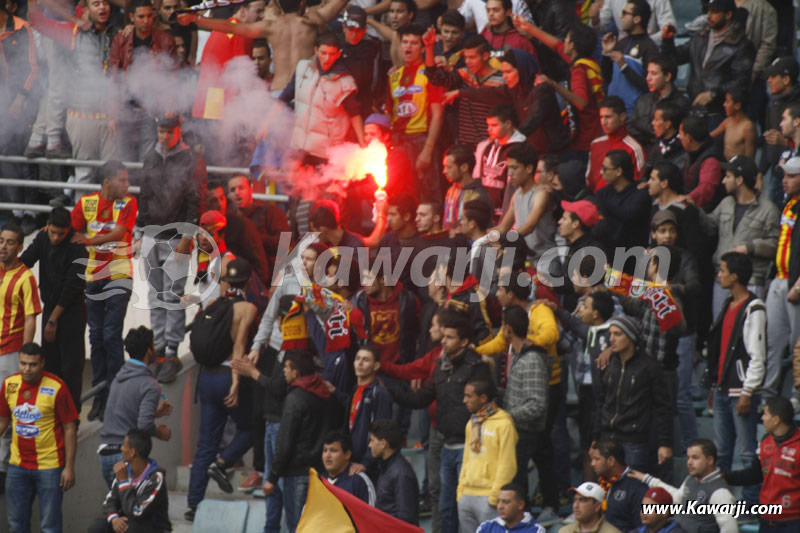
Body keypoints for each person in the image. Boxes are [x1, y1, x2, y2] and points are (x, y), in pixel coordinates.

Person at [387, 310, 490, 533]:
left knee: (466, 509)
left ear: (464, 341)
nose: (443, 341)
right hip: (446, 445)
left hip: (470, 447)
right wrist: (391, 392)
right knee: (445, 506)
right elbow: (422, 398)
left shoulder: (477, 368)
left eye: (450, 337)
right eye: (443, 337)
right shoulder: (442, 365)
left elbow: (488, 406)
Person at [136, 112, 207, 383]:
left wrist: (188, 238)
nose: (164, 136)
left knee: (173, 296)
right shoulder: (150, 155)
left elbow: (195, 200)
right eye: (161, 131)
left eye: (169, 131)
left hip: (176, 236)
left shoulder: (192, 159)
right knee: (155, 294)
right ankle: (160, 348)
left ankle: (172, 351)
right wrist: (139, 230)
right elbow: (144, 193)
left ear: (179, 131)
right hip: (151, 234)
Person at [185, 259, 258, 521]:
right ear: (248, 283)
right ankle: (223, 462)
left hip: (206, 378)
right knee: (251, 428)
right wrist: (237, 383)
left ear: (226, 284)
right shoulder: (247, 307)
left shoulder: (213, 305)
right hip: (228, 376)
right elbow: (239, 347)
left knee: (205, 444)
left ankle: (193, 505)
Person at [28, 0, 121, 184]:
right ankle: (80, 212)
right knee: (85, 175)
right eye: (96, 4)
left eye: (105, 3)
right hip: (82, 115)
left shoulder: (119, 33)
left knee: (113, 177)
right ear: (86, 10)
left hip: (112, 118)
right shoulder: (73, 32)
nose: (102, 7)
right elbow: (37, 21)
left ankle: (108, 214)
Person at [71, 161, 136, 421]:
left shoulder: (128, 203)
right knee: (96, 336)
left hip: (119, 275)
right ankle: (100, 394)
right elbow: (71, 229)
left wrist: (88, 240)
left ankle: (113, 394)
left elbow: (120, 234)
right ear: (107, 182)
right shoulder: (87, 202)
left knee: (110, 335)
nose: (127, 185)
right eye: (123, 180)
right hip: (92, 276)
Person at [0, 343, 78, 531]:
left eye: (33, 364)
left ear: (42, 363)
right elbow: (2, 422)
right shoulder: (9, 384)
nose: (27, 369)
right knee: (16, 524)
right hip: (17, 466)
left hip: (50, 467)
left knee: (50, 526)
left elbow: (70, 429)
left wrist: (69, 467)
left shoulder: (57, 387)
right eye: (23, 363)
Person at [263, 350, 342, 532]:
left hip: (297, 473)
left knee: (297, 526)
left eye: (287, 367)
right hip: (321, 473)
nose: (283, 370)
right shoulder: (325, 394)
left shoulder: (294, 399)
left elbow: (285, 442)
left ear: (296, 372)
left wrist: (272, 477)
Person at [446, 49, 571, 162]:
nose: (504, 77)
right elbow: (489, 93)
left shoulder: (541, 90)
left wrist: (512, 139)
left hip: (555, 156)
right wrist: (460, 92)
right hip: (535, 155)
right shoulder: (516, 90)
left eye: (509, 72)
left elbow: (535, 117)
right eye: (503, 72)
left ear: (522, 69)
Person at [19, 208, 86, 413]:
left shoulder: (77, 247)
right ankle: (52, 411)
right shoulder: (42, 238)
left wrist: (53, 319)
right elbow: (25, 261)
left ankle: (71, 415)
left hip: (71, 311)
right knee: (50, 366)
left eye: (61, 234)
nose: (56, 238)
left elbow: (72, 287)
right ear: (47, 226)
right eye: (53, 232)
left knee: (71, 368)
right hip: (50, 306)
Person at [700, 154, 779, 318]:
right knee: (721, 329)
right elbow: (709, 226)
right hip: (722, 280)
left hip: (751, 282)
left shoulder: (768, 210)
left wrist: (750, 247)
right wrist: (693, 209)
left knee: (745, 331)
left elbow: (776, 243)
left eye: (728, 176)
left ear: (739, 180)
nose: (723, 181)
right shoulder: (726, 203)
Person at [511, 18, 604, 155]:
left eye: (567, 38)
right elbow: (556, 45)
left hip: (585, 139)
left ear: (573, 45)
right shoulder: (588, 62)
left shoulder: (579, 71)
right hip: (594, 133)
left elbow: (581, 102)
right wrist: (530, 28)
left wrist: (552, 84)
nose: (564, 41)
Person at [594, 316, 673, 473]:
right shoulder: (608, 364)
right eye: (610, 334)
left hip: (634, 441)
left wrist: (665, 443)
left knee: (632, 487)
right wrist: (595, 438)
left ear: (631, 337)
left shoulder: (649, 367)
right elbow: (600, 403)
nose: (611, 339)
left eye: (618, 334)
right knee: (605, 490)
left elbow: (663, 407)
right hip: (607, 437)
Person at [99, 326, 172, 489]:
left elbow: (125, 414)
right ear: (149, 351)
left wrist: (155, 414)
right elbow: (144, 425)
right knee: (132, 508)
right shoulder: (149, 385)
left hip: (105, 452)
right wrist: (160, 432)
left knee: (119, 508)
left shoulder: (119, 378)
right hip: (126, 456)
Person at [660, 0, 755, 126]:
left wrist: (714, 93)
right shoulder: (700, 37)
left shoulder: (741, 45)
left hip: (721, 113)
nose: (709, 16)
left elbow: (741, 81)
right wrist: (667, 42)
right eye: (708, 11)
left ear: (728, 15)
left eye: (715, 12)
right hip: (695, 109)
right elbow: (675, 59)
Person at [108, 0, 177, 162]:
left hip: (151, 110)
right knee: (125, 161)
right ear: (131, 17)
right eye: (141, 17)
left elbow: (173, 78)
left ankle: (141, 187)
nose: (146, 21)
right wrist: (112, 114)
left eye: (149, 16)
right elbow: (113, 79)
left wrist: (169, 106)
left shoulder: (165, 40)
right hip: (126, 108)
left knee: (147, 161)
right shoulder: (121, 40)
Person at [280, 32, 365, 164]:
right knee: (297, 183)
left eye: (331, 54)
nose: (327, 58)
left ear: (338, 54)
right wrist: (266, 123)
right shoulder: (303, 69)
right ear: (315, 50)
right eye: (323, 53)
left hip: (326, 154)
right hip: (299, 146)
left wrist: (362, 141)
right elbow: (285, 96)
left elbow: (355, 114)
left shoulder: (345, 82)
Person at [498, 306, 551, 513]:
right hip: (516, 431)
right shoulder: (521, 356)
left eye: (502, 325)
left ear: (509, 329)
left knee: (518, 484)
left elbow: (536, 405)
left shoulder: (531, 360)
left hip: (525, 433)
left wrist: (505, 416)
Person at [387, 24, 445, 202]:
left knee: (426, 198)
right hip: (398, 144)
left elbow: (438, 114)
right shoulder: (393, 76)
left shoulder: (430, 74)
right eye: (405, 42)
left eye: (413, 43)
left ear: (422, 48)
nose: (408, 47)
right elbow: (390, 112)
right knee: (399, 197)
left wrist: (428, 149)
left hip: (421, 141)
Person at [630, 438, 737, 532]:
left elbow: (730, 530)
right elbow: (677, 498)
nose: (689, 462)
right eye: (688, 457)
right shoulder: (691, 479)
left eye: (695, 458)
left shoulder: (720, 492)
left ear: (710, 460)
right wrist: (647, 479)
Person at [726, 396, 800, 531]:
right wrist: (724, 477)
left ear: (776, 419)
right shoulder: (766, 440)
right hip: (766, 519)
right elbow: (755, 474)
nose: (762, 418)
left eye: (766, 414)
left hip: (793, 522)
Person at [457, 378, 518, 533]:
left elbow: (507, 464)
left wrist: (494, 497)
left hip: (488, 497)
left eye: (469, 396)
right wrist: (461, 492)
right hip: (466, 496)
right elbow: (466, 459)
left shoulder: (504, 423)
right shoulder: (471, 423)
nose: (464, 400)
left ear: (483, 398)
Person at [425, 34, 505, 147]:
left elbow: (489, 96)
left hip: (492, 145)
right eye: (465, 57)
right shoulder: (465, 73)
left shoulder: (501, 80)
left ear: (485, 56)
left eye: (472, 57)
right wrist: (429, 48)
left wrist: (460, 93)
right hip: (465, 144)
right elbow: (436, 78)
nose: (467, 61)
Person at [187, 0, 262, 120]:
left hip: (207, 101)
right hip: (224, 106)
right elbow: (244, 77)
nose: (262, 16)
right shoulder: (241, 32)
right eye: (258, 11)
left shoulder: (221, 28)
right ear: (242, 12)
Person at [763, 157, 800, 400]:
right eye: (783, 176)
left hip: (795, 284)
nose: (784, 181)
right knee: (772, 342)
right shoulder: (789, 204)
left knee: (798, 345)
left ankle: (797, 397)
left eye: (790, 176)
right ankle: (768, 399)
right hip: (778, 278)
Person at [89, 429, 171, 533]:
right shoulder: (125, 469)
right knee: (97, 527)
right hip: (130, 523)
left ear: (132, 452)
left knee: (131, 528)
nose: (121, 448)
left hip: (153, 527)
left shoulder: (156, 477)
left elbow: (137, 512)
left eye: (124, 445)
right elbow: (109, 502)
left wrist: (123, 482)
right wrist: (114, 519)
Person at [493, 143, 556, 262]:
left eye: (514, 168)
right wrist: (481, 236)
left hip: (545, 262)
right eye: (509, 168)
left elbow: (529, 226)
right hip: (525, 261)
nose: (510, 173)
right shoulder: (517, 194)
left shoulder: (541, 193)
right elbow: (503, 227)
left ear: (529, 168)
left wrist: (504, 240)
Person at [227, 174, 290, 282]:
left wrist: (254, 238)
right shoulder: (231, 221)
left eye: (241, 188)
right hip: (241, 278)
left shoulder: (270, 211)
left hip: (272, 278)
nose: (237, 192)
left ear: (251, 190)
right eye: (232, 190)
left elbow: (286, 242)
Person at [600, 0, 659, 115]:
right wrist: (606, 54)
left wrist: (624, 67)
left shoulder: (649, 47)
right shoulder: (620, 43)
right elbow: (607, 78)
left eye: (625, 13)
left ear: (637, 19)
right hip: (613, 114)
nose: (621, 16)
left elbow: (650, 86)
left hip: (634, 114)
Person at [473, 105, 527, 220]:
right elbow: (477, 180)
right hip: (484, 213)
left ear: (508, 124)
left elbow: (514, 188)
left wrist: (505, 220)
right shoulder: (484, 146)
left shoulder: (520, 149)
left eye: (494, 125)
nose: (489, 129)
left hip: (506, 215)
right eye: (488, 125)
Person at [342, 346, 393, 464]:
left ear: (376, 366)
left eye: (366, 360)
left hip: (367, 464)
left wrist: (366, 463)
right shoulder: (355, 390)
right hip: (351, 458)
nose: (359, 363)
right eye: (357, 358)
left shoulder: (379, 394)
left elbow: (381, 433)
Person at [586, 96, 647, 192]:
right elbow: (589, 180)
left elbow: (638, 185)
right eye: (601, 117)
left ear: (622, 117)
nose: (603, 122)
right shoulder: (595, 144)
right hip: (595, 201)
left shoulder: (634, 148)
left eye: (608, 117)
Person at [628, 57, 690, 149]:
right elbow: (630, 127)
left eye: (653, 74)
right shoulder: (644, 100)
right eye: (648, 73)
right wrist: (649, 139)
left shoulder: (681, 104)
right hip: (644, 150)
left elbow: (677, 134)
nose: (648, 78)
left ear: (667, 76)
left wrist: (642, 126)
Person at [594, 150, 651, 249]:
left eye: (605, 168)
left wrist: (605, 203)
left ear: (618, 171)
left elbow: (629, 215)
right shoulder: (602, 193)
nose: (601, 172)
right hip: (607, 252)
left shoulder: (640, 193)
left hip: (634, 253)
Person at [367, 418, 419, 525]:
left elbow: (405, 519)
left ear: (383, 443)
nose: (370, 445)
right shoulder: (386, 466)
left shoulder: (401, 473)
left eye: (372, 440)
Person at [588, 440, 647, 532]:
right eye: (592, 460)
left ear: (611, 461)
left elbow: (642, 527)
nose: (592, 464)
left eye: (597, 459)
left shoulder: (636, 487)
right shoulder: (600, 483)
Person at [442, 144, 493, 231]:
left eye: (449, 167)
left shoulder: (478, 195)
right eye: (444, 167)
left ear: (464, 167)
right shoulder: (451, 190)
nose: (444, 171)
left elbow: (479, 231)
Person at [678, 115, 724, 210]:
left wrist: (687, 199)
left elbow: (706, 189)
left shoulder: (711, 160)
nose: (679, 138)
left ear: (688, 138)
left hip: (707, 211)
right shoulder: (690, 152)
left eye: (680, 134)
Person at [321, 431, 376, 505]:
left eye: (333, 450)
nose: (327, 455)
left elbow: (371, 513)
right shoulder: (319, 480)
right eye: (325, 451)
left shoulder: (359, 481)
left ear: (347, 454)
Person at [590, 0, 675, 46]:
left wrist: (643, 43)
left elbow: (670, 27)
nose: (621, 17)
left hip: (652, 48)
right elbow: (600, 27)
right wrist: (595, 20)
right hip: (623, 50)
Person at [710, 87, 757, 161]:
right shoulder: (727, 122)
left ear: (737, 106)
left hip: (739, 169)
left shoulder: (748, 127)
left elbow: (749, 159)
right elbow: (710, 137)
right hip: (725, 166)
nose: (724, 104)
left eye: (727, 102)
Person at [477, 484, 546, 533]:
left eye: (506, 502)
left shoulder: (535, 530)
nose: (500, 506)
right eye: (498, 502)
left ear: (520, 504)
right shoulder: (486, 527)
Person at [558, 481, 623, 533]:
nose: (575, 506)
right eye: (575, 500)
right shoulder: (565, 531)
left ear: (597, 506)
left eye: (582, 500)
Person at [647, 101, 689, 171]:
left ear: (667, 124)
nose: (652, 123)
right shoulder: (657, 145)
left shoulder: (682, 147)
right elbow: (647, 170)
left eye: (656, 120)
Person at [458, 0, 531, 35]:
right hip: (485, 46)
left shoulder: (517, 2)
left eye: (496, 10)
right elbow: (454, 21)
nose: (491, 14)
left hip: (513, 45)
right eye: (488, 10)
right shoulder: (473, 1)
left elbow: (532, 32)